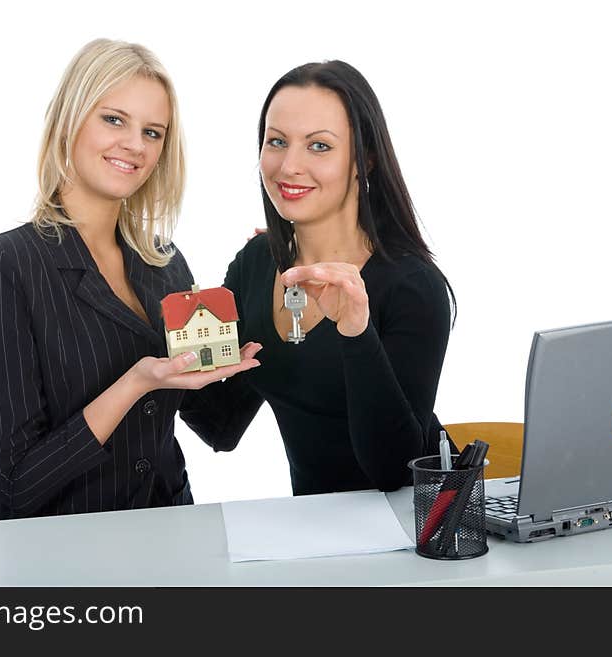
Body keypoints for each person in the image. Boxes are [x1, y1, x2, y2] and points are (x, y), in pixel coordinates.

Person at [0, 39, 260, 520]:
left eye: (153, 132)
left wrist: (270, 289)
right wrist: (135, 382)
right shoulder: (2, 265)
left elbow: (215, 426)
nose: (135, 145)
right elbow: (16, 485)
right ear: (69, 120)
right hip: (66, 552)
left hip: (170, 530)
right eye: (114, 119)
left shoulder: (163, 261)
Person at [181, 60, 456, 496]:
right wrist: (170, 326)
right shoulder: (255, 263)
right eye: (276, 142)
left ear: (363, 160)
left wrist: (355, 332)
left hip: (416, 529)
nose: (289, 166)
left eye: (319, 146)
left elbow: (393, 472)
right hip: (311, 534)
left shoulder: (413, 287)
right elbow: (220, 426)